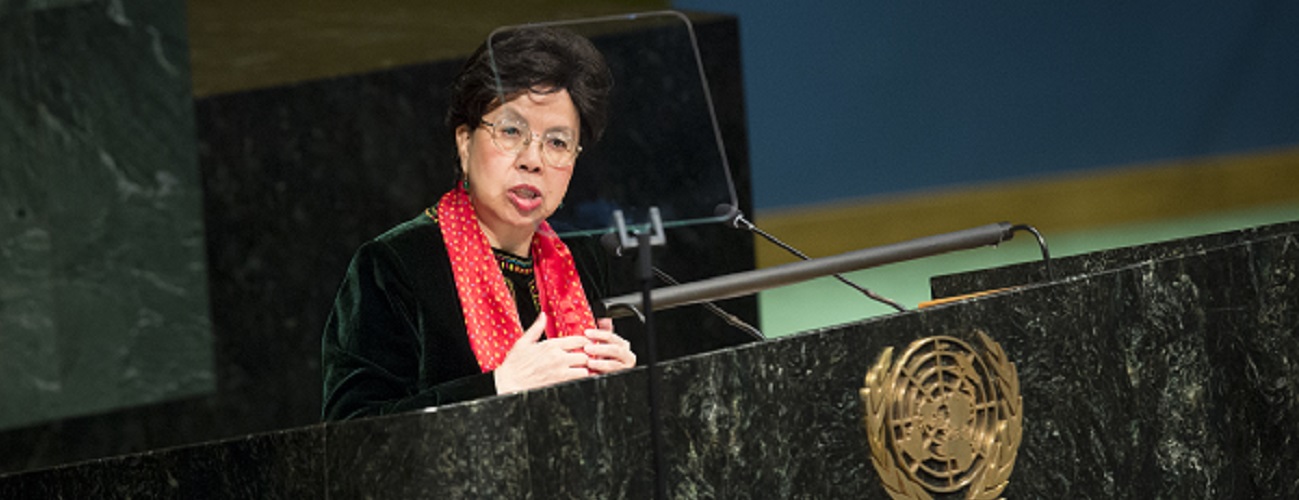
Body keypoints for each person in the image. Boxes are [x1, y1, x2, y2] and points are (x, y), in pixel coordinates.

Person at [321, 26, 636, 421]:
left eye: (557, 142)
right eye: (511, 131)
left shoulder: (581, 257)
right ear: (465, 142)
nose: (532, 160)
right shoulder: (393, 265)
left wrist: (623, 389)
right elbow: (350, 434)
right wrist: (499, 387)